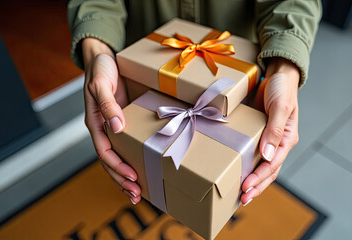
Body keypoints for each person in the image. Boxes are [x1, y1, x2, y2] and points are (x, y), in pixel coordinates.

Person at [67, 0, 322, 206]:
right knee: (140, 165)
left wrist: (284, 70)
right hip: (138, 77)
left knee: (217, 172)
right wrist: (97, 53)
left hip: (242, 81)